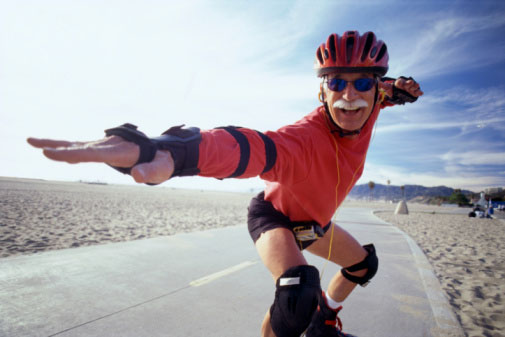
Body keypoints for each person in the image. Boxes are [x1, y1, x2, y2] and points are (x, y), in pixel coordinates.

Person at [28, 31, 423, 337]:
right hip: (277, 218)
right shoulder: (304, 138)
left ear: (376, 88)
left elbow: (384, 93)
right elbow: (250, 148)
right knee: (298, 291)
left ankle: (325, 323)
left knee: (363, 264)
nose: (349, 97)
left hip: (316, 224)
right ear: (320, 90)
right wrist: (175, 151)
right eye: (336, 83)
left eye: (363, 85)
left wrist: (397, 91)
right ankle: (306, 318)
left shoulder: (373, 104)